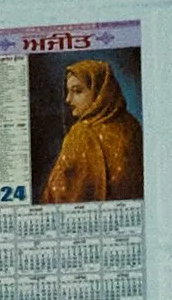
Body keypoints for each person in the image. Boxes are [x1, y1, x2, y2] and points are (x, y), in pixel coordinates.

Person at [41, 58, 145, 203]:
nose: (68, 99)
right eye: (68, 91)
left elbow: (57, 196)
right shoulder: (133, 125)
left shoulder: (82, 133)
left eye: (77, 91)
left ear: (100, 92)